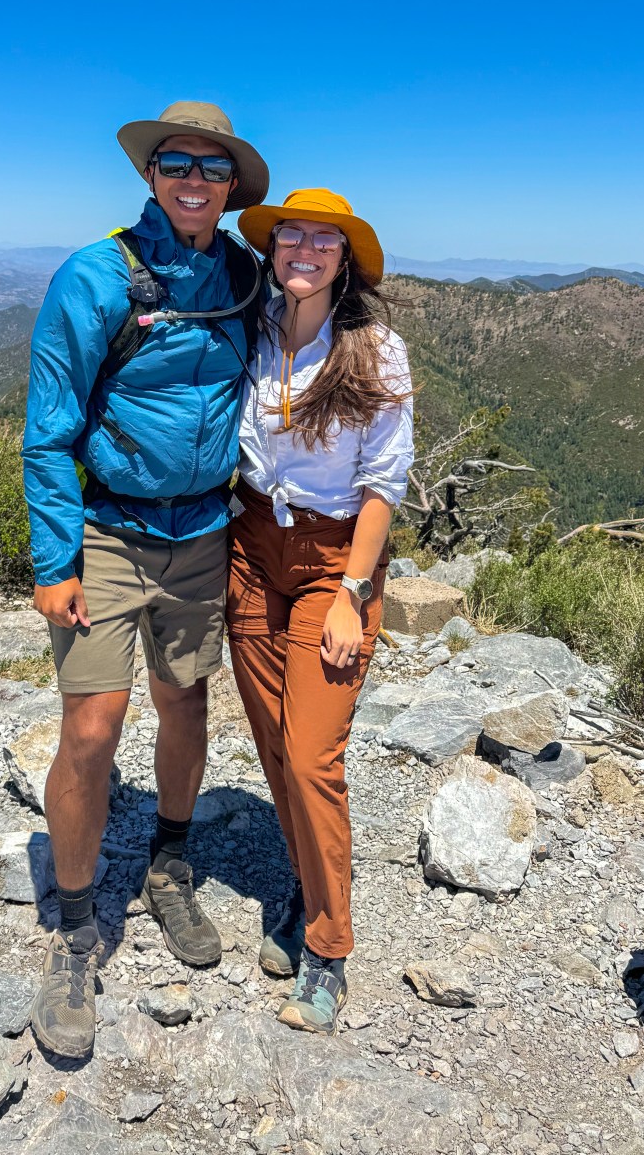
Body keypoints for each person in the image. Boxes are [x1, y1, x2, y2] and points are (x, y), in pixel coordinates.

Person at [20, 101, 269, 1058]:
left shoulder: (244, 276)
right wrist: (55, 562)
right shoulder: (96, 276)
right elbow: (48, 430)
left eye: (211, 168)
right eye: (176, 164)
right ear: (151, 174)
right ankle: (75, 927)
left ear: (230, 187)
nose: (193, 181)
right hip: (111, 533)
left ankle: (168, 864)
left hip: (206, 529)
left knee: (186, 704)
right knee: (92, 727)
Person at [228, 188, 414, 1034]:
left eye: (323, 241)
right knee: (271, 736)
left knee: (310, 755)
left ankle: (328, 950)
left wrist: (350, 593)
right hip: (251, 544)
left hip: (334, 559)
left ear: (345, 261)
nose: (303, 248)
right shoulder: (251, 325)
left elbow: (384, 484)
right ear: (274, 249)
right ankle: (305, 881)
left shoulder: (373, 351)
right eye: (291, 234)